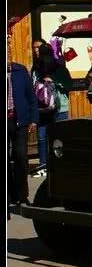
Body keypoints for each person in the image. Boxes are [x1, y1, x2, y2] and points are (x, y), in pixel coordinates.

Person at [31, 43, 72, 172]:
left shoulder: (59, 69)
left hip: (58, 108)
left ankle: (59, 164)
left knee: (58, 137)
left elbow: (68, 85)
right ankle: (44, 164)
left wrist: (54, 81)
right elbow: (33, 87)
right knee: (44, 137)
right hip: (45, 108)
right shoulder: (37, 69)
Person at [8, 36, 38, 206]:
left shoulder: (20, 71)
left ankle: (22, 195)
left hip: (19, 120)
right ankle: (9, 195)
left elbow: (31, 97)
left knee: (20, 157)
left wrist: (33, 118)